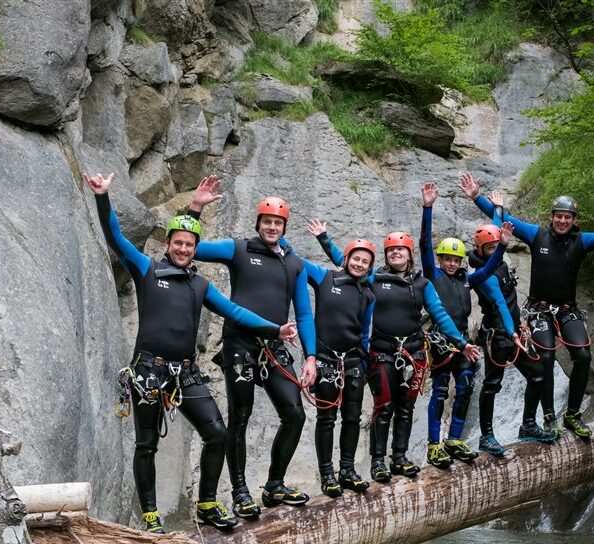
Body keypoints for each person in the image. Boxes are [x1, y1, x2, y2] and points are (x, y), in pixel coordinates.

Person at [83, 172, 296, 534]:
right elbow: (115, 238)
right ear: (167, 244)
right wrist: (103, 197)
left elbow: (235, 312)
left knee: (218, 433)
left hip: (186, 373)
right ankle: (151, 514)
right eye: (178, 243)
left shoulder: (201, 284)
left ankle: (208, 503)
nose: (183, 249)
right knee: (146, 443)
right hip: (149, 371)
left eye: (190, 245)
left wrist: (274, 329)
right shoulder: (147, 269)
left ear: (196, 248)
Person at [460, 172, 594, 438]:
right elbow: (506, 221)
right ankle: (549, 416)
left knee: (583, 357)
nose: (563, 220)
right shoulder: (536, 235)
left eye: (568, 217)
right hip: (539, 310)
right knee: (546, 358)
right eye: (559, 216)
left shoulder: (581, 241)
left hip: (567, 310)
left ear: (574, 220)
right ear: (552, 217)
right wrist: (476, 198)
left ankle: (572, 415)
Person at [187, 177, 317, 519]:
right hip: (240, 345)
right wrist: (196, 208)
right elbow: (191, 248)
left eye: (278, 222)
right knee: (240, 418)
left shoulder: (295, 265)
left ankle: (274, 485)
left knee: (295, 414)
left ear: (284, 226)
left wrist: (312, 358)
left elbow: (303, 313)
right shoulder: (239, 249)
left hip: (275, 348)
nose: (272, 227)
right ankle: (241, 492)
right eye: (267, 222)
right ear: (258, 224)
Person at [314, 225, 481, 482]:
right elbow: (348, 263)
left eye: (400, 250)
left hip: (413, 353)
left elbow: (439, 314)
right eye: (391, 250)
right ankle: (378, 462)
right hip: (382, 353)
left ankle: (400, 457)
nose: (395, 253)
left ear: (409, 254)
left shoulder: (422, 283)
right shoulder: (374, 279)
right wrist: (324, 239)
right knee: (384, 407)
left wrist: (461, 343)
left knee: (406, 407)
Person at [418, 181, 509, 466]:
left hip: (463, 342)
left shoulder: (467, 281)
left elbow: (491, 267)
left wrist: (502, 246)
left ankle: (454, 440)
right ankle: (434, 445)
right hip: (440, 341)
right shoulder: (433, 275)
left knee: (467, 385)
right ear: (441, 259)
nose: (451, 264)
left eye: (455, 260)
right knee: (442, 389)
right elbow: (423, 244)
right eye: (447, 259)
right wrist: (427, 208)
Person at [285, 219, 376, 497]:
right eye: (356, 259)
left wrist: (362, 362)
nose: (359, 264)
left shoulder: (368, 293)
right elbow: (295, 260)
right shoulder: (325, 278)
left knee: (352, 417)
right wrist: (310, 239)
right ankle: (327, 474)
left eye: (365, 262)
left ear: (370, 268)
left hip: (352, 362)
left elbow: (364, 331)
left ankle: (347, 470)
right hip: (325, 360)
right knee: (327, 418)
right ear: (346, 259)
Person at [468, 190, 557, 455]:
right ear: (481, 251)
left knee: (538, 374)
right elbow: (499, 305)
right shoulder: (482, 275)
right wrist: (514, 332)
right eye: (491, 248)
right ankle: (487, 436)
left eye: (497, 246)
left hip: (514, 331)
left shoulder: (499, 263)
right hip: (498, 334)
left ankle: (528, 424)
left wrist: (497, 207)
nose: (496, 250)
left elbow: (497, 229)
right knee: (492, 384)